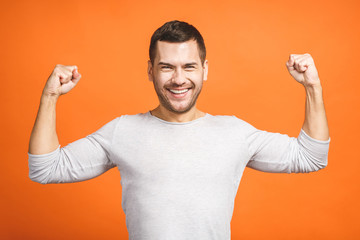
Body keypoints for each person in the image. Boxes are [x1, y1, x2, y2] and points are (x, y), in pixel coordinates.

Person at [28, 20, 330, 240]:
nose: (178, 79)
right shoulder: (123, 131)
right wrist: (50, 97)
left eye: (189, 66)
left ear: (205, 70)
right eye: (166, 67)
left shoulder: (234, 132)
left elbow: (310, 157)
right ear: (150, 71)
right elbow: (46, 168)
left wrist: (313, 87)